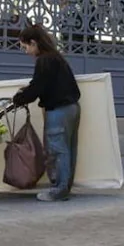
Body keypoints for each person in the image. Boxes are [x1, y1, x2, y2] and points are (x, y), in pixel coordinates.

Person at [12, 25, 81, 202]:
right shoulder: (56, 57)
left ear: (34, 43)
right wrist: (28, 90)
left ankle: (58, 189)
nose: (26, 51)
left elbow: (38, 87)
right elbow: (45, 83)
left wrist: (19, 98)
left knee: (57, 150)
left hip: (58, 110)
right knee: (67, 149)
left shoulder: (44, 60)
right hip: (71, 108)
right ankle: (64, 186)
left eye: (25, 47)